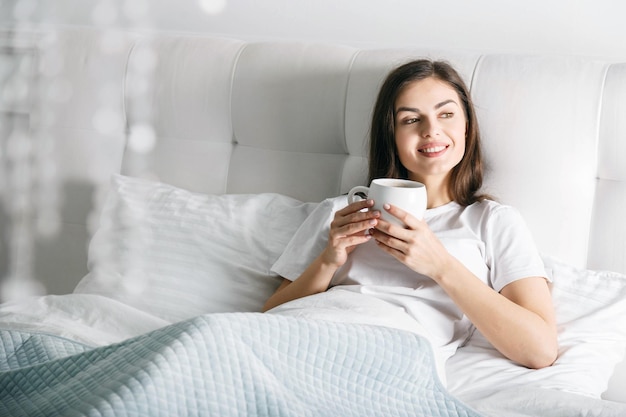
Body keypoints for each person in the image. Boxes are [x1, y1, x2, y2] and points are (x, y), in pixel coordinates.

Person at [263, 59, 558, 373]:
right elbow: (268, 316)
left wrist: (441, 266)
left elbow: (539, 350)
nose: (431, 130)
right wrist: (328, 260)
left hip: (390, 357)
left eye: (446, 114)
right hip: (299, 336)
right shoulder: (339, 212)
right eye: (410, 119)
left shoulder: (492, 221)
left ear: (466, 127)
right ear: (392, 135)